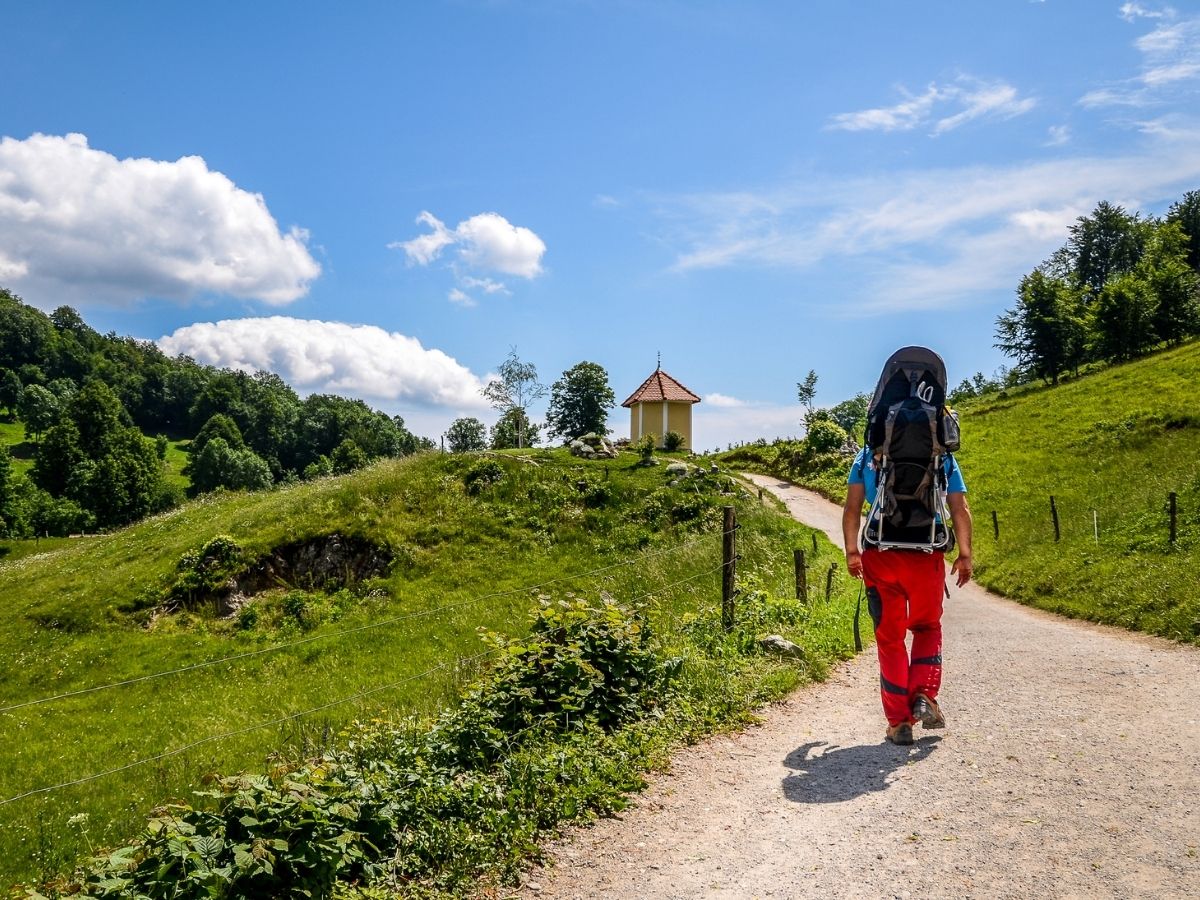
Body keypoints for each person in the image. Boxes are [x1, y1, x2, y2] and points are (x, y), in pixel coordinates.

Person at [842, 442, 973, 746]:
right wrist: (965, 554)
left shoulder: (866, 456)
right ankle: (924, 694)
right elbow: (959, 508)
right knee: (927, 627)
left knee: (890, 639)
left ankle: (899, 722)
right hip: (926, 556)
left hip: (881, 555)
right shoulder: (942, 458)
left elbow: (852, 508)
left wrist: (852, 551)